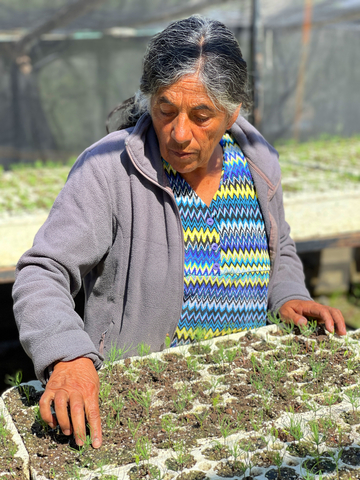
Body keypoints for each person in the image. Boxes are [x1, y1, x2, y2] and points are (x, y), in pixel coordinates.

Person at [12, 15, 346, 449]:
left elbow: (278, 245)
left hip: (242, 394)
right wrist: (67, 353)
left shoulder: (259, 161)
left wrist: (288, 295)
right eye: (166, 110)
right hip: (142, 401)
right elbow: (43, 271)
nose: (179, 133)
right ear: (148, 99)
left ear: (232, 113)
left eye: (201, 116)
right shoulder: (109, 170)